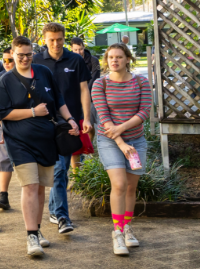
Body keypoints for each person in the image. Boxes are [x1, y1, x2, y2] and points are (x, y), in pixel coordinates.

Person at [0, 36, 79, 256]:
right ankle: (31, 236)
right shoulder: (5, 80)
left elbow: (58, 100)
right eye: (20, 54)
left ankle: (38, 230)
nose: (24, 58)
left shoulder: (44, 72)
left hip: (46, 139)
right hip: (19, 141)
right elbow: (3, 113)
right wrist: (33, 112)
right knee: (30, 186)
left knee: (41, 187)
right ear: (12, 54)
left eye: (28, 54)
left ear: (33, 53)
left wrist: (70, 120)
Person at [91, 43, 152, 256]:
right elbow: (103, 117)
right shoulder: (100, 84)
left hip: (136, 139)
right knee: (118, 184)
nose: (114, 61)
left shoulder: (141, 82)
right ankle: (117, 232)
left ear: (127, 59)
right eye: (110, 57)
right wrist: (121, 143)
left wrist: (123, 130)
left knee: (130, 188)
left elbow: (144, 111)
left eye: (118, 57)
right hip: (109, 140)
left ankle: (127, 227)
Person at [32, 23, 92, 234]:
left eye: (59, 39)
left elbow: (84, 89)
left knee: (61, 171)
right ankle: (59, 214)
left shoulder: (75, 60)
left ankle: (60, 214)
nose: (56, 43)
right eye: (51, 40)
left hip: (69, 124)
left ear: (64, 39)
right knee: (57, 173)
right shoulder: (36, 61)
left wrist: (86, 118)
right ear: (44, 40)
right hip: (43, 123)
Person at [70, 37, 100, 172]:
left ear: (84, 47)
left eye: (80, 49)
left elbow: (94, 79)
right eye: (75, 49)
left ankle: (88, 146)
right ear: (71, 49)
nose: (78, 52)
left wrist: (84, 93)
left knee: (90, 126)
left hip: (91, 97)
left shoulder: (93, 60)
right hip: (74, 98)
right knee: (79, 127)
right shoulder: (70, 60)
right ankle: (80, 155)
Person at [0, 47, 15, 210]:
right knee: (3, 159)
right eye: (4, 61)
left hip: (24, 123)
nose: (6, 64)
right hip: (3, 123)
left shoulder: (28, 76)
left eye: (10, 60)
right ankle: (3, 195)